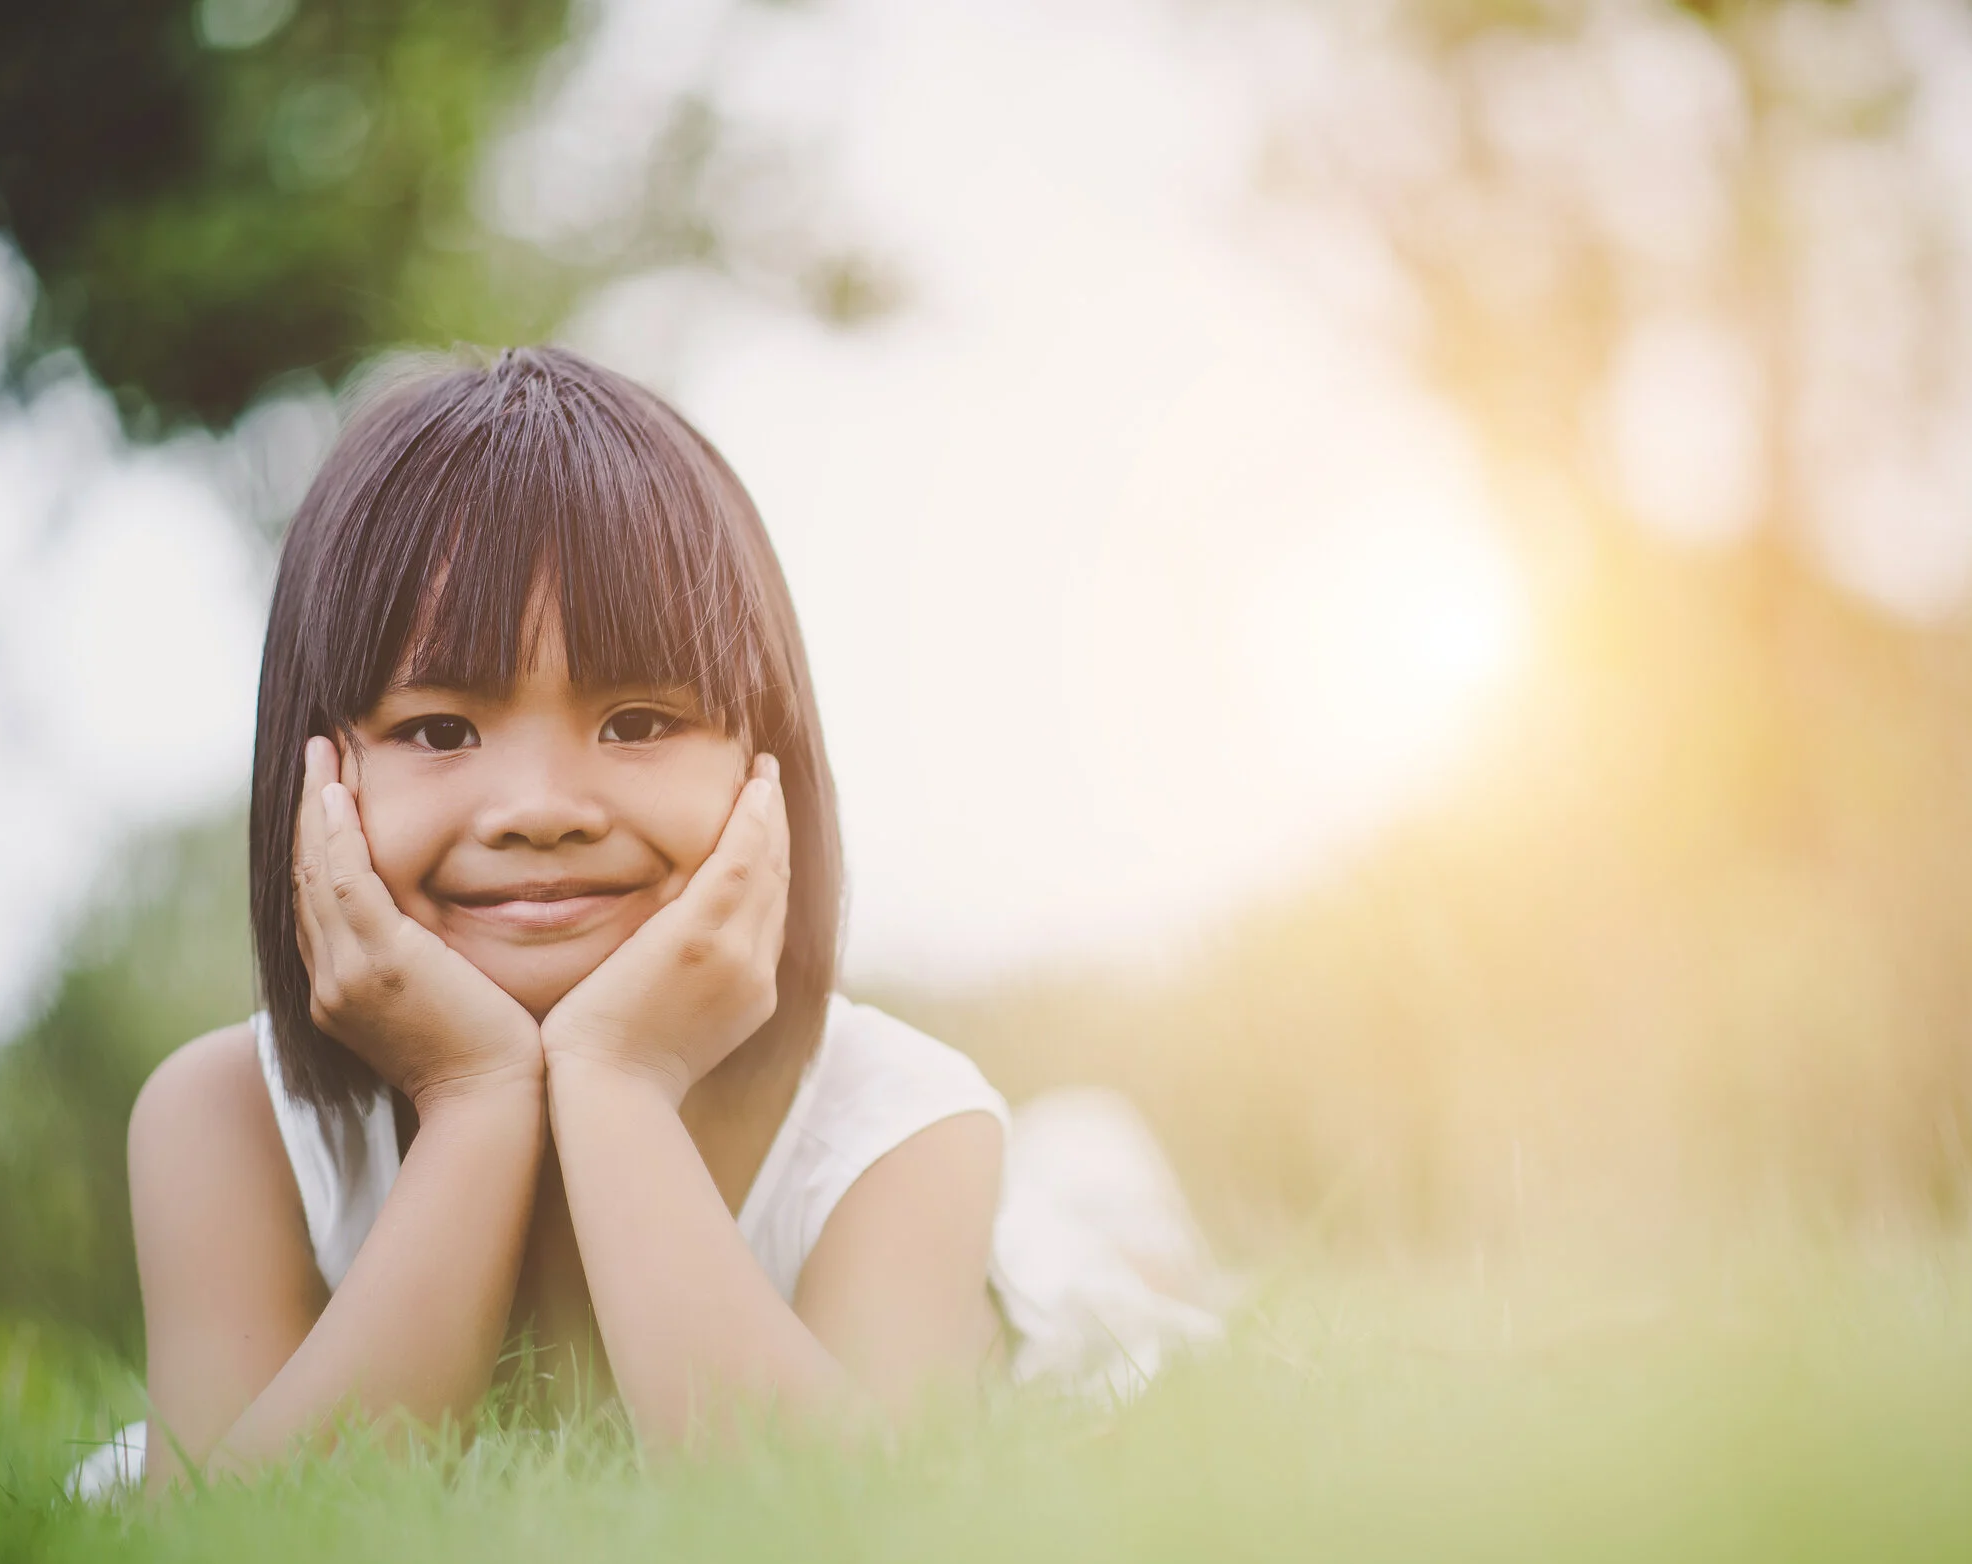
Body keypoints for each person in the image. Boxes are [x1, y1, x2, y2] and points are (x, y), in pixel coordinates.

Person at [74, 348, 1223, 1498]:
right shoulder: (225, 1120)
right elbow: (231, 1537)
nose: (539, 811)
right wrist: (475, 1097)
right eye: (437, 729)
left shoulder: (904, 1127)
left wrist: (618, 1082)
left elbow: (848, 1526)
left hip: (1029, 1283)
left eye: (634, 721)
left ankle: (1097, 1176)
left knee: (1092, 1250)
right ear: (313, 770)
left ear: (765, 765)